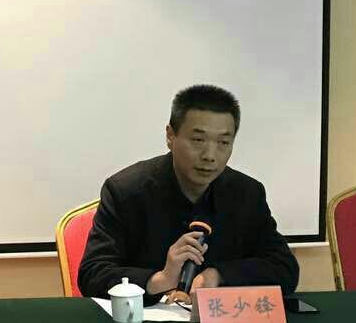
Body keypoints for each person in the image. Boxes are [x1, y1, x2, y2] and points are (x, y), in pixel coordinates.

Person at [77, 84, 298, 303]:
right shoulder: (125, 191)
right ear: (170, 136)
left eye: (223, 142)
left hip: (219, 321)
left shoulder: (247, 194)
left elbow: (284, 268)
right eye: (198, 140)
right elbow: (92, 274)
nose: (210, 155)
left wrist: (219, 275)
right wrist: (159, 280)